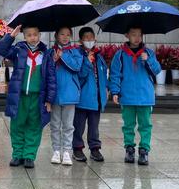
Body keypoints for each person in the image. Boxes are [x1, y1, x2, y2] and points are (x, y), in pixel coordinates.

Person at [0, 24, 56, 169]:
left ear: (39, 35)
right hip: (19, 96)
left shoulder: (46, 54)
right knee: (17, 125)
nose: (32, 37)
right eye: (29, 35)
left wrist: (49, 99)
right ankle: (17, 154)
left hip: (38, 97)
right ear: (24, 36)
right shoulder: (18, 51)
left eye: (35, 34)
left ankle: (29, 155)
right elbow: (2, 49)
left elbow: (51, 78)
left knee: (34, 126)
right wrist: (11, 36)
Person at [108, 26, 161, 165]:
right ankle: (129, 148)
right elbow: (115, 74)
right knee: (128, 125)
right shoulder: (120, 55)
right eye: (133, 35)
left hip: (145, 96)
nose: (137, 38)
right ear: (127, 35)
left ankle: (144, 151)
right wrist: (115, 91)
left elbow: (156, 70)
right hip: (127, 96)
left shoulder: (149, 53)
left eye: (139, 35)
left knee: (145, 125)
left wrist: (148, 60)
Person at [72, 27, 108, 163]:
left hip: (96, 98)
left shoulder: (99, 56)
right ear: (81, 40)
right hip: (82, 98)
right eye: (86, 38)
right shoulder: (77, 55)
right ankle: (77, 148)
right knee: (78, 126)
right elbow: (79, 76)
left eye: (91, 37)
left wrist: (106, 88)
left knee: (94, 127)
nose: (89, 40)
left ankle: (95, 148)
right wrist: (87, 61)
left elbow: (103, 74)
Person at [49, 26, 83, 165]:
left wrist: (63, 56)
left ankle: (67, 152)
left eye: (68, 34)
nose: (65, 37)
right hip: (55, 94)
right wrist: (53, 60)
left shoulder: (75, 51)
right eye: (62, 34)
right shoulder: (50, 52)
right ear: (56, 35)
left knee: (68, 126)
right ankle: (56, 150)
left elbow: (76, 67)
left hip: (70, 94)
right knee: (55, 125)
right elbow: (46, 71)